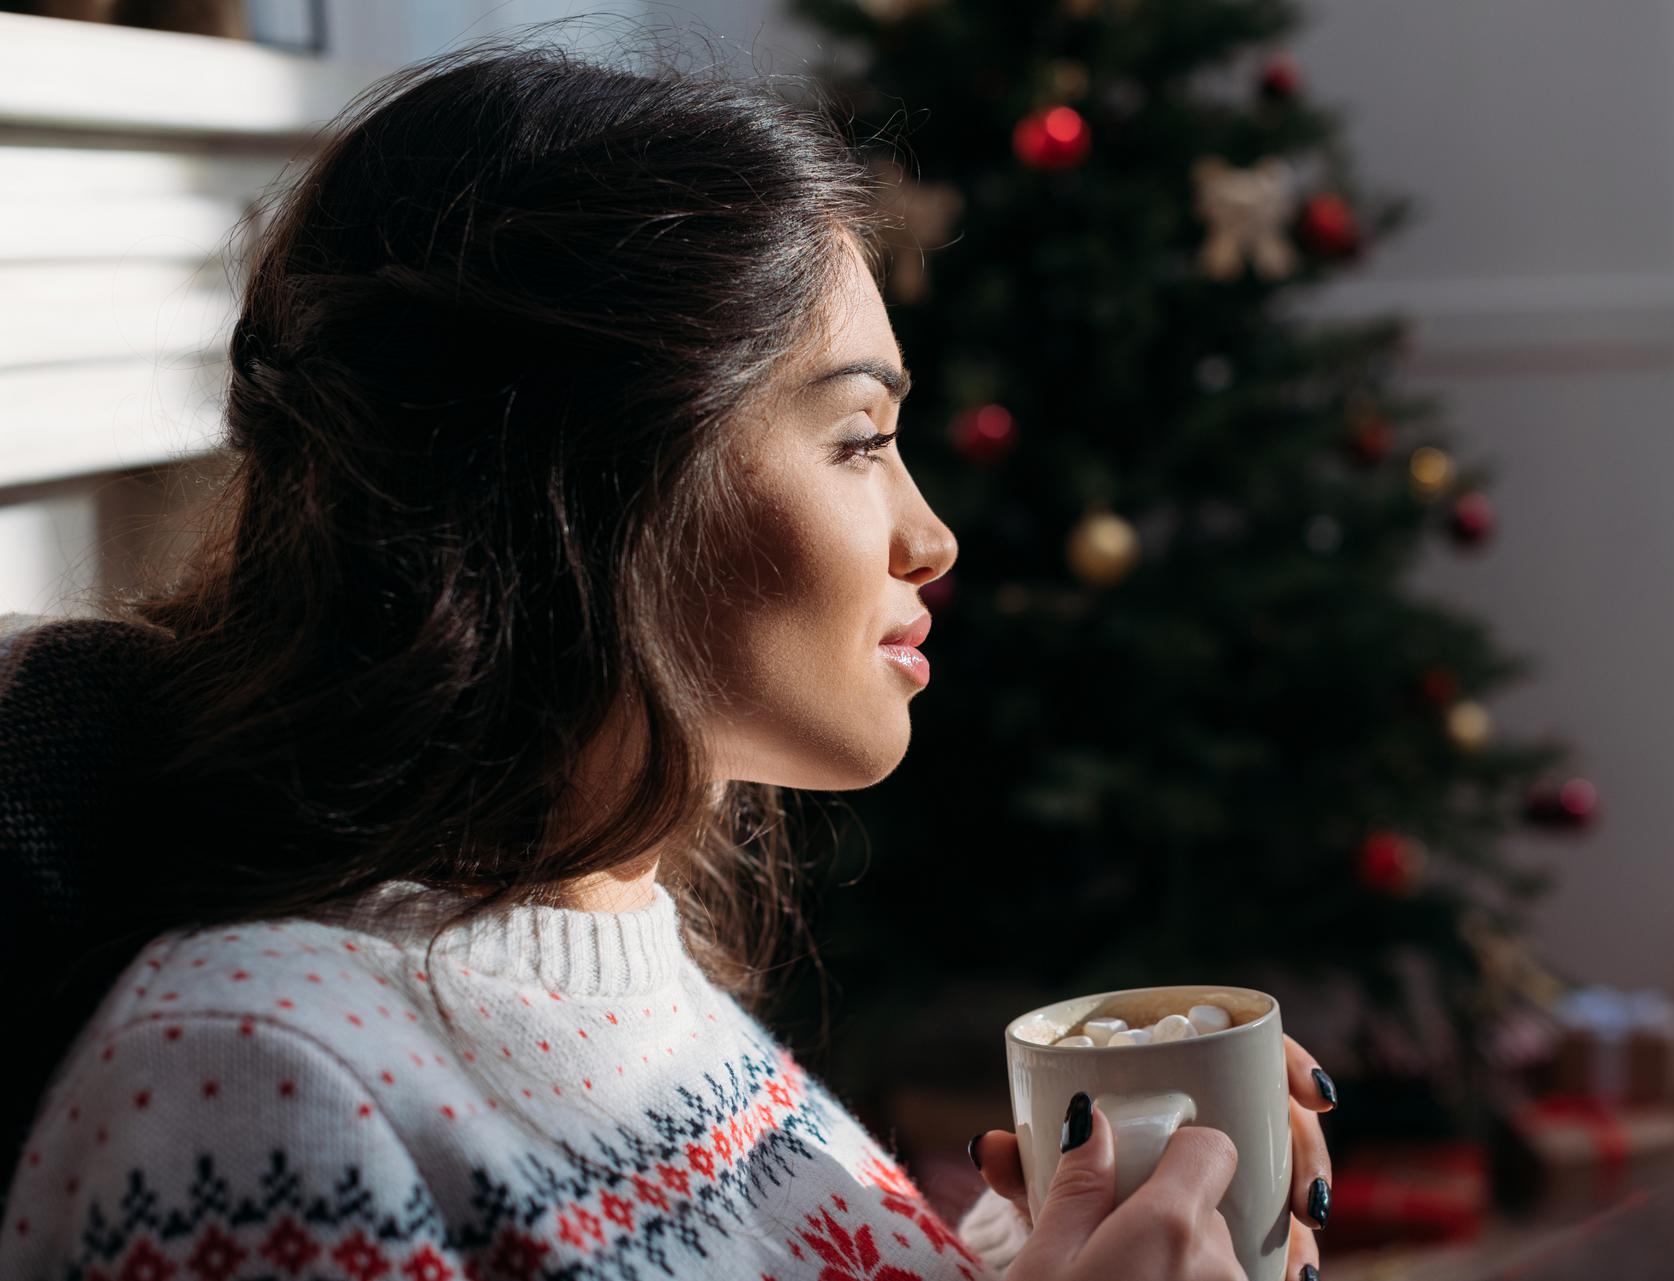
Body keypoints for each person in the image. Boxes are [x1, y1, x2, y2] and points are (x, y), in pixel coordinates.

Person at [0, 31, 1334, 1281]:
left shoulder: (646, 1008)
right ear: (601, 481)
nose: (931, 535)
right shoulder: (252, 1081)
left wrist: (1071, 1234)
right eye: (861, 438)